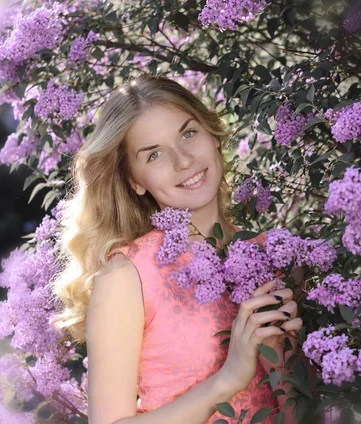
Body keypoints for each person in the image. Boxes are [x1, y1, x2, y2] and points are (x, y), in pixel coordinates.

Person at [50, 75, 303, 424]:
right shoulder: (126, 275)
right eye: (154, 154)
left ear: (212, 133)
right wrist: (227, 380)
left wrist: (286, 351)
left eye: (188, 133)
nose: (183, 161)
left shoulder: (269, 254)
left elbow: (300, 408)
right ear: (134, 181)